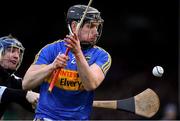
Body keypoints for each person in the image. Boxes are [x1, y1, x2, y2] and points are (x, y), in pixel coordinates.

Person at [22, 4, 112, 120]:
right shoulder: (51, 50)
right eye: (91, 26)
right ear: (74, 26)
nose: (96, 32)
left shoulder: (102, 56)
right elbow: (26, 83)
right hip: (46, 117)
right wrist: (52, 66)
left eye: (97, 26)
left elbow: (91, 84)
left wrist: (78, 53)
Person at [0, 35, 39, 118]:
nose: (16, 56)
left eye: (19, 53)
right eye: (11, 51)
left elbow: (33, 103)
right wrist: (25, 94)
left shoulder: (15, 81)